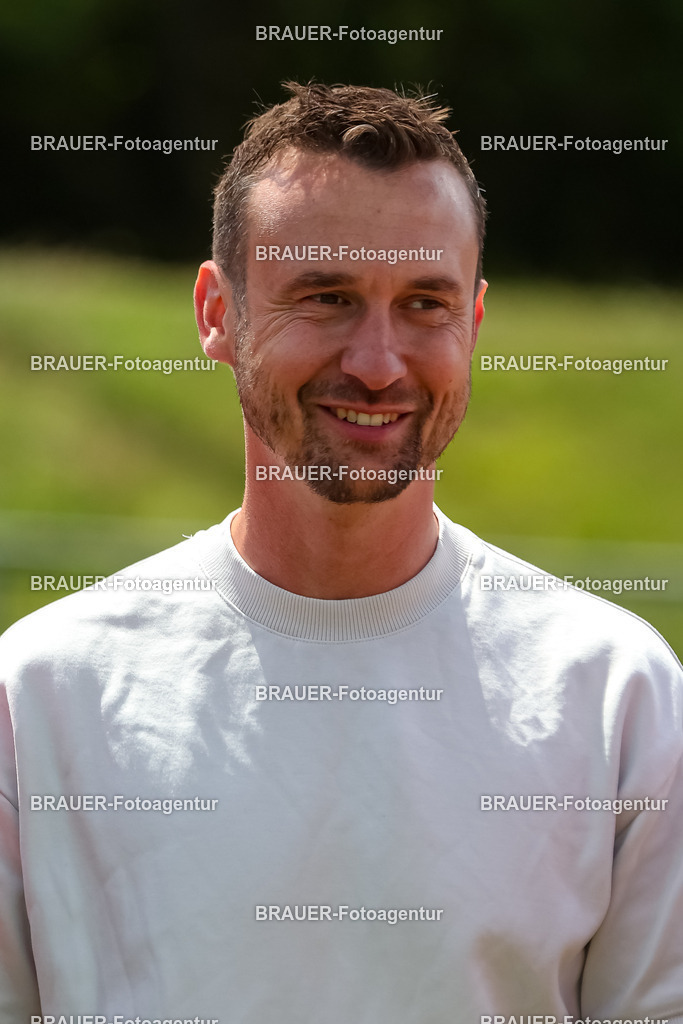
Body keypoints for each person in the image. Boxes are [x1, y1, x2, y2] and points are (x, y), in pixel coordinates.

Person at [1, 81, 681, 1023]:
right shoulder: (41, 693)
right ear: (217, 312)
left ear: (473, 323)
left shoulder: (618, 696)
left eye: (423, 304)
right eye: (324, 298)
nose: (377, 361)